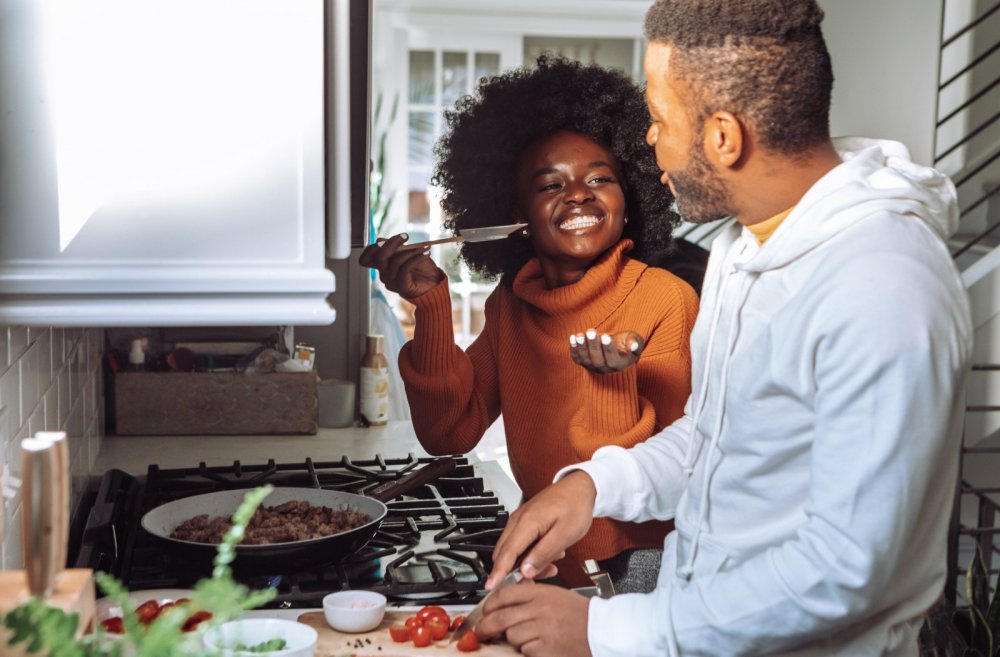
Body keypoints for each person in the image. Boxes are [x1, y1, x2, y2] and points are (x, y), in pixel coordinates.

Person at [477, 2, 974, 656]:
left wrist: (609, 630)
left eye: (659, 119)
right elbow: (724, 438)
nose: (648, 141)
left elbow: (844, 566)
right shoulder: (747, 250)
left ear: (722, 137)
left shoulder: (884, 285)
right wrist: (594, 485)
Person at [359, 56, 699, 592]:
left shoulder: (665, 299)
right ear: (514, 214)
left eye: (600, 178)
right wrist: (430, 307)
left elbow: (678, 470)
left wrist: (610, 380)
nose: (579, 193)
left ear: (630, 200)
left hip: (640, 566)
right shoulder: (511, 306)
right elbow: (449, 433)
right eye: (550, 185)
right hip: (546, 555)